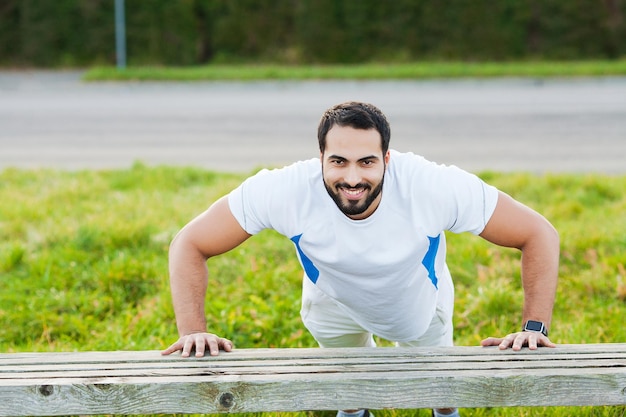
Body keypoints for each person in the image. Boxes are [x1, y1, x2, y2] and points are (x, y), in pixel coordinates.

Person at [161, 101, 559, 417]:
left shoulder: (432, 185)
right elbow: (189, 243)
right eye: (338, 161)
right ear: (321, 157)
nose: (352, 178)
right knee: (346, 384)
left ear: (387, 159)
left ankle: (444, 411)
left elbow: (538, 233)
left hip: (414, 302)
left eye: (366, 162)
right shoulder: (283, 189)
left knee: (439, 386)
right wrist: (192, 330)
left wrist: (534, 327)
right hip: (331, 299)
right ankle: (353, 411)